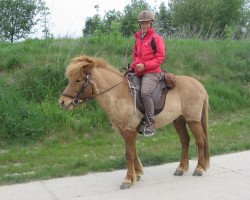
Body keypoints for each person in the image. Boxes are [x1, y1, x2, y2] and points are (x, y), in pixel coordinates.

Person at [130, 10, 166, 136]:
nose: (145, 25)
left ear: (151, 24)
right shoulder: (138, 39)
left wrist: (144, 65)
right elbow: (136, 56)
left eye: (147, 23)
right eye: (142, 23)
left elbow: (160, 58)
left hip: (152, 72)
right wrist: (133, 66)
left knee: (145, 93)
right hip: (139, 71)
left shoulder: (156, 39)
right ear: (140, 25)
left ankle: (150, 122)